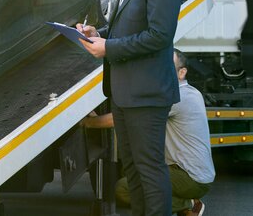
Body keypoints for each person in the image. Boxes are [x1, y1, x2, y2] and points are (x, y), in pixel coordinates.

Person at [78, 0, 183, 216]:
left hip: (147, 95)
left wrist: (108, 49)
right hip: (127, 94)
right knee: (135, 173)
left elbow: (158, 36)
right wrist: (101, 34)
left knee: (149, 173)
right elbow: (129, 24)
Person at [82, 49, 215, 216]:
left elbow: (127, 117)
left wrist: (90, 122)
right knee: (134, 171)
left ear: (182, 72)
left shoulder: (178, 96)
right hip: (185, 170)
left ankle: (188, 203)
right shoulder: (188, 92)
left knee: (126, 189)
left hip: (190, 177)